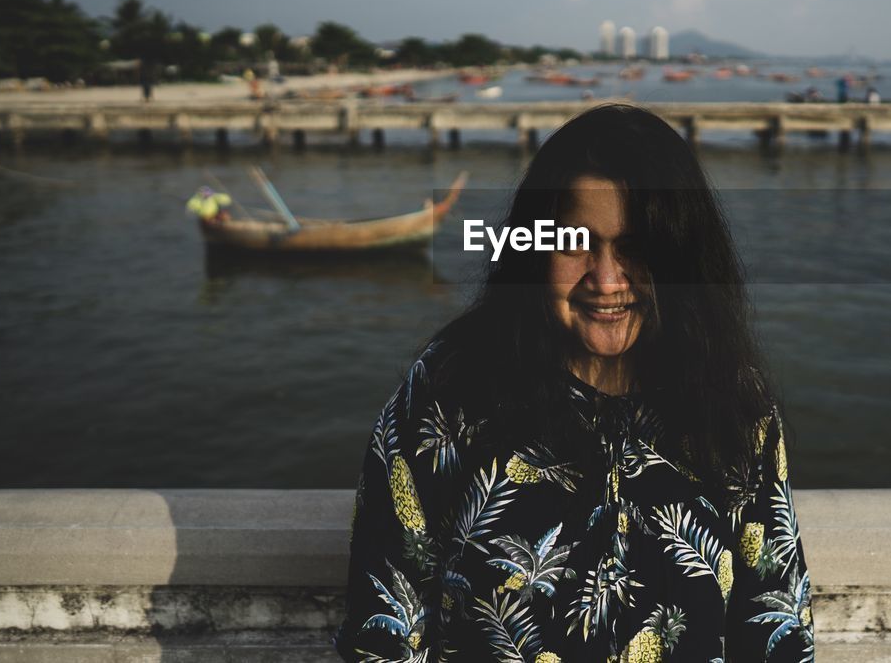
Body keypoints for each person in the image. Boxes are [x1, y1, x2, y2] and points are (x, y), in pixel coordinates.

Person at [334, 104, 814, 662]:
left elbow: (777, 626)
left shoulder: (734, 404)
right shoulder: (450, 393)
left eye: (636, 248)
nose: (606, 280)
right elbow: (383, 625)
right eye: (574, 243)